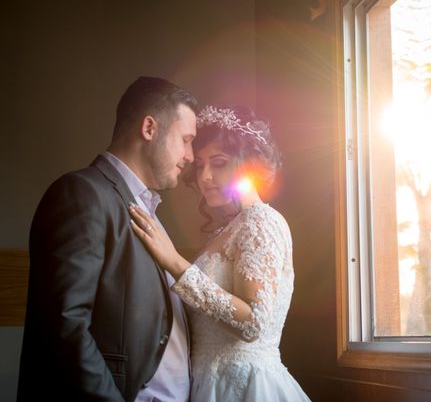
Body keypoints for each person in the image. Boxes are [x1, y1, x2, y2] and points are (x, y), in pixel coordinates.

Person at [18, 76, 197, 401]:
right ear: (149, 128)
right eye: (186, 139)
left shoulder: (145, 207)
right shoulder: (82, 194)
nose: (191, 156)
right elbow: (66, 327)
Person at [128, 105, 311, 401]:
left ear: (249, 164)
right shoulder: (228, 229)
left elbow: (253, 323)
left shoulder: (260, 222)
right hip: (206, 385)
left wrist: (174, 262)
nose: (205, 176)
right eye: (199, 165)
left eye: (219, 163)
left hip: (246, 388)